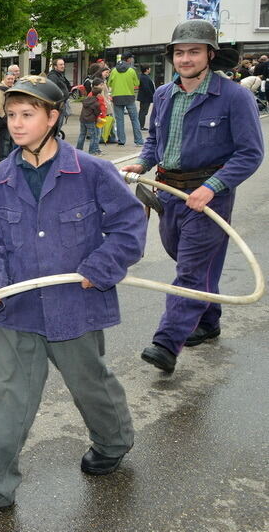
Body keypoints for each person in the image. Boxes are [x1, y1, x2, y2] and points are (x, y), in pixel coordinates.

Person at [0, 75, 145, 521]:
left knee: (90, 383)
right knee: (8, 397)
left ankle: (113, 442)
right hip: (16, 309)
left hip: (75, 307)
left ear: (53, 117)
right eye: (12, 115)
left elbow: (130, 226)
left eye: (28, 115)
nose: (16, 124)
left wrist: (96, 271)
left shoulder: (93, 171)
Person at [121, 20, 263, 374]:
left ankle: (167, 342)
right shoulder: (164, 94)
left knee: (190, 268)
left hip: (208, 196)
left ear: (210, 55)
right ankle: (208, 318)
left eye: (193, 51)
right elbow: (155, 141)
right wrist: (142, 163)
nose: (185, 59)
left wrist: (212, 187)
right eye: (180, 52)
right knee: (189, 258)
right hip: (168, 193)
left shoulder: (235, 97)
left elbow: (249, 153)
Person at [108, 53, 144, 147]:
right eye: (131, 58)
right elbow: (137, 83)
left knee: (119, 120)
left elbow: (109, 83)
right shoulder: (132, 70)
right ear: (128, 59)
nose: (132, 60)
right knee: (134, 119)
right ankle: (139, 141)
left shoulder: (114, 70)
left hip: (117, 97)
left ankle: (121, 140)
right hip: (129, 97)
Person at [76, 80, 104, 156]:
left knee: (82, 134)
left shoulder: (86, 100)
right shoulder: (96, 103)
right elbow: (97, 113)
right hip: (91, 121)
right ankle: (92, 150)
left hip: (83, 119)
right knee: (93, 136)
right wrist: (98, 118)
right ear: (98, 94)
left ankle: (78, 150)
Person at [0, 73, 15, 162]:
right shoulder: (1, 90)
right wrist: (5, 118)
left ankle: (9, 158)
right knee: (5, 139)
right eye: (9, 79)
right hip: (4, 119)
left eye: (12, 79)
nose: (10, 80)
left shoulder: (11, 89)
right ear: (4, 79)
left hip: (11, 118)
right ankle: (3, 159)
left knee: (11, 139)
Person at [137, 64, 156, 130]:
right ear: (147, 70)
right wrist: (152, 95)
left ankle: (140, 125)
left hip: (145, 97)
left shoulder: (145, 76)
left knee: (143, 111)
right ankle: (140, 125)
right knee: (143, 111)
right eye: (149, 68)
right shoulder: (144, 77)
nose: (150, 69)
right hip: (145, 97)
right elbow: (146, 88)